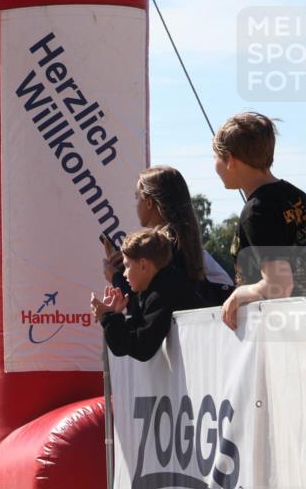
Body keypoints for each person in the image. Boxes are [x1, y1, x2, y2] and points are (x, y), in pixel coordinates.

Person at [212, 113, 305, 329]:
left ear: (231, 160)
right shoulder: (297, 196)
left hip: (285, 333)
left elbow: (279, 286)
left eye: (215, 156)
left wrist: (240, 294)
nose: (214, 165)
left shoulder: (257, 212)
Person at [103, 166, 233, 309]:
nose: (136, 204)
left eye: (137, 197)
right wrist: (128, 268)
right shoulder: (184, 243)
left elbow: (147, 307)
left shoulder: (161, 246)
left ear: (149, 202)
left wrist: (115, 277)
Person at [91, 229, 198, 362]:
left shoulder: (162, 294)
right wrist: (114, 314)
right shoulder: (159, 288)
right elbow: (135, 334)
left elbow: (142, 347)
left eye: (127, 266)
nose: (124, 274)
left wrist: (106, 317)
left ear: (143, 265)